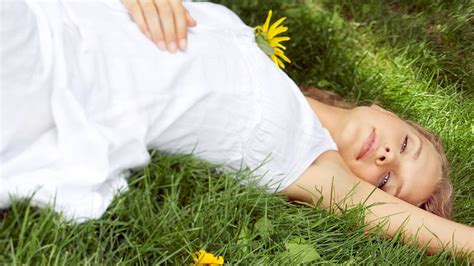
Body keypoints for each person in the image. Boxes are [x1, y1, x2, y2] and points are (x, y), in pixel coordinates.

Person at [0, 0, 472, 259]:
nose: (388, 157)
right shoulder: (252, 46)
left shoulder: (310, 161)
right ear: (380, 108)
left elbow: (434, 233)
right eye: (406, 143)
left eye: (389, 183)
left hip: (52, 82)